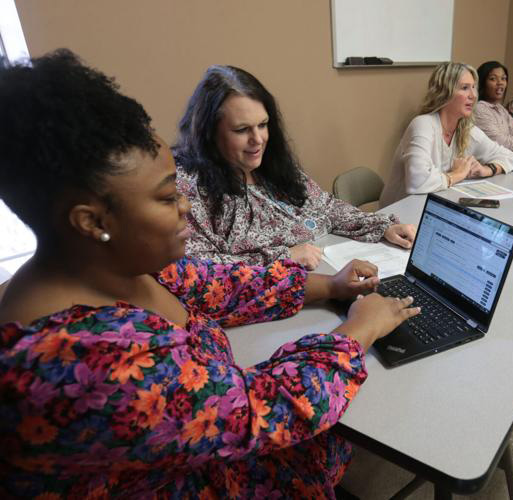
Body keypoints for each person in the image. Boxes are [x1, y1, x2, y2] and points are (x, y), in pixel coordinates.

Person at [0, 49, 420, 498]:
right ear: (93, 221)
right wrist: (358, 332)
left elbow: (221, 287)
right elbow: (261, 410)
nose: (184, 208)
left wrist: (330, 286)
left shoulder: (116, 264)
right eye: (167, 198)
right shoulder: (79, 363)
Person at [174, 65, 416, 271]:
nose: (258, 139)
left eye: (263, 125)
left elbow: (325, 207)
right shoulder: (189, 186)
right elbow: (197, 268)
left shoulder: (272, 165)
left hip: (327, 271)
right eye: (241, 129)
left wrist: (382, 226)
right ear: (209, 133)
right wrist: (284, 257)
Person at [380, 62, 513, 207]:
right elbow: (417, 182)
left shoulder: (465, 129)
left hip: (432, 208)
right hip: (399, 215)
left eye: (473, 87)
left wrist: (486, 170)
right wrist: (458, 174)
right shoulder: (422, 124)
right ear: (445, 92)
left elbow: (508, 157)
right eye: (465, 88)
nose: (473, 95)